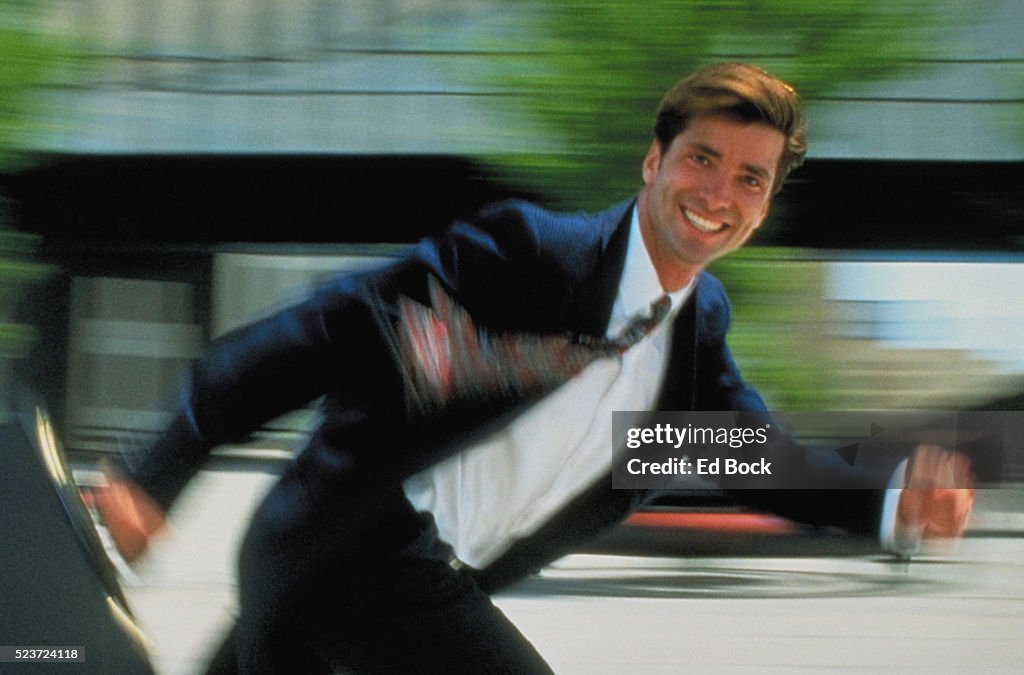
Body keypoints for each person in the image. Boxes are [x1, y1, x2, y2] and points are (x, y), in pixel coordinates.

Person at [92, 63, 974, 673]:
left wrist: (891, 500)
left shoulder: (694, 330)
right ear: (652, 161)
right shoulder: (527, 256)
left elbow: (747, 458)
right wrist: (163, 462)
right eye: (702, 159)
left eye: (751, 178)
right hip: (353, 551)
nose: (719, 195)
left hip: (384, 582)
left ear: (767, 200)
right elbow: (323, 334)